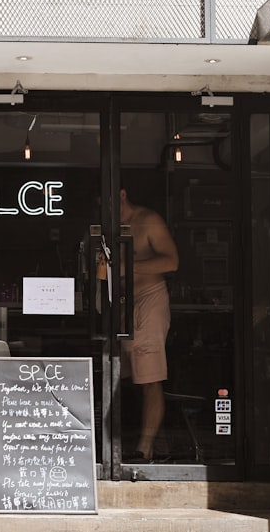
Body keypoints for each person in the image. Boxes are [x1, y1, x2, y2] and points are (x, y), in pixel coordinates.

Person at [99, 189, 179, 461]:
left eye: (107, 197)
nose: (104, 204)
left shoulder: (147, 220)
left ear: (121, 193)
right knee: (126, 376)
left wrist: (127, 266)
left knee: (150, 376)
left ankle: (143, 450)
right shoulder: (108, 227)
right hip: (123, 304)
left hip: (149, 299)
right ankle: (154, 441)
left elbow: (171, 261)